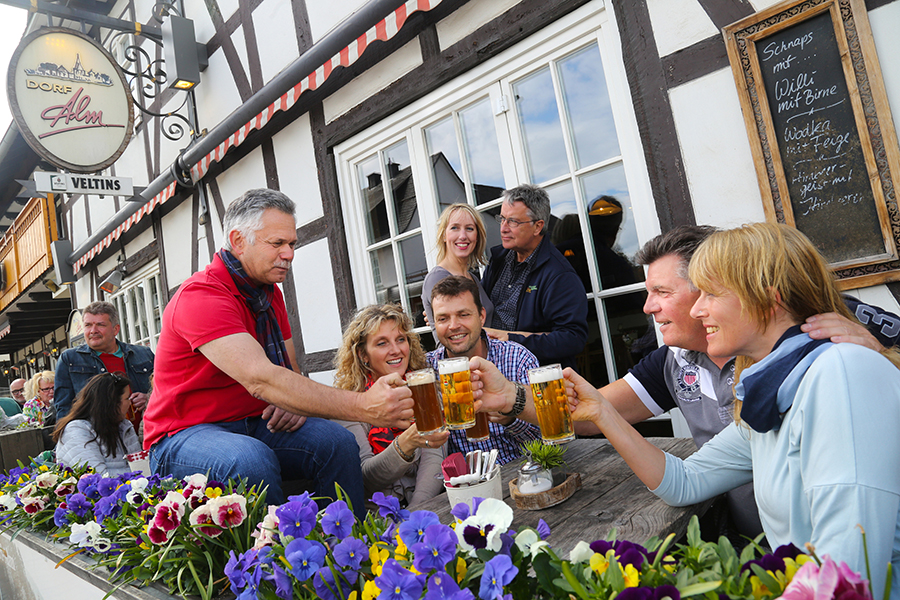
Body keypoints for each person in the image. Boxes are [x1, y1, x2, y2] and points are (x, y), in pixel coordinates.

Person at [472, 224, 900, 539]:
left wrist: (878, 356)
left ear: (763, 295)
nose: (648, 307)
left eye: (664, 291)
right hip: (758, 551)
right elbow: (676, 475)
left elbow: (849, 569)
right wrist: (513, 398)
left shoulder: (832, 349)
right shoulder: (739, 382)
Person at [565, 223, 900, 599]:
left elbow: (845, 575)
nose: (697, 307)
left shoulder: (841, 373)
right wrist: (603, 413)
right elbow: (685, 482)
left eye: (710, 292)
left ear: (768, 298)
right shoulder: (769, 391)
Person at [143, 189, 412, 515]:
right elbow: (262, 379)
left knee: (338, 444)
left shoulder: (269, 295)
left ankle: (345, 547)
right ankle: (273, 562)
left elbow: (289, 373)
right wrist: (365, 406)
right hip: (184, 434)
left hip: (255, 421)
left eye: (292, 244)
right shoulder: (201, 295)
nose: (289, 254)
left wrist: (293, 402)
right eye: (277, 244)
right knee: (249, 460)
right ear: (238, 241)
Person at [333, 304, 449, 507]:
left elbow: (434, 460)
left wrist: (416, 514)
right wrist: (408, 442)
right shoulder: (349, 404)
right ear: (363, 355)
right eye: (382, 343)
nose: (396, 350)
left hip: (425, 509)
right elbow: (366, 478)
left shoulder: (425, 389)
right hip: (377, 518)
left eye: (400, 339)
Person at [426, 276, 540, 464]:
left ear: (481, 316)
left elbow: (549, 441)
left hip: (520, 475)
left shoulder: (517, 358)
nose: (453, 326)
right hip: (461, 484)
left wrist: (511, 420)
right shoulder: (426, 369)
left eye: (463, 315)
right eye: (443, 318)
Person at [481, 184, 588, 369]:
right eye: (502, 219)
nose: (503, 228)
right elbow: (479, 304)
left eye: (513, 221)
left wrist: (511, 340)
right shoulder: (498, 261)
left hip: (537, 381)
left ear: (538, 226)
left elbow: (573, 338)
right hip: (495, 374)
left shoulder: (559, 274)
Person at [54, 302, 155, 430]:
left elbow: (165, 390)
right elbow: (64, 409)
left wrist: (148, 398)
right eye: (88, 325)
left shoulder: (144, 354)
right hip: (96, 440)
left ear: (115, 329)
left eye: (100, 325)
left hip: (147, 434)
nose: (93, 331)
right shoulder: (69, 359)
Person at [421, 204, 494, 341]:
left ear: (477, 236)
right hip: (460, 360)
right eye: (454, 228)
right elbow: (458, 332)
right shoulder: (438, 278)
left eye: (469, 229)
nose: (463, 236)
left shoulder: (472, 278)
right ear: (443, 235)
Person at [53, 372, 141, 476]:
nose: (130, 403)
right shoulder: (77, 430)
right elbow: (96, 476)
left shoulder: (124, 426)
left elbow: (139, 466)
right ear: (112, 403)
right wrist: (139, 476)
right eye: (127, 398)